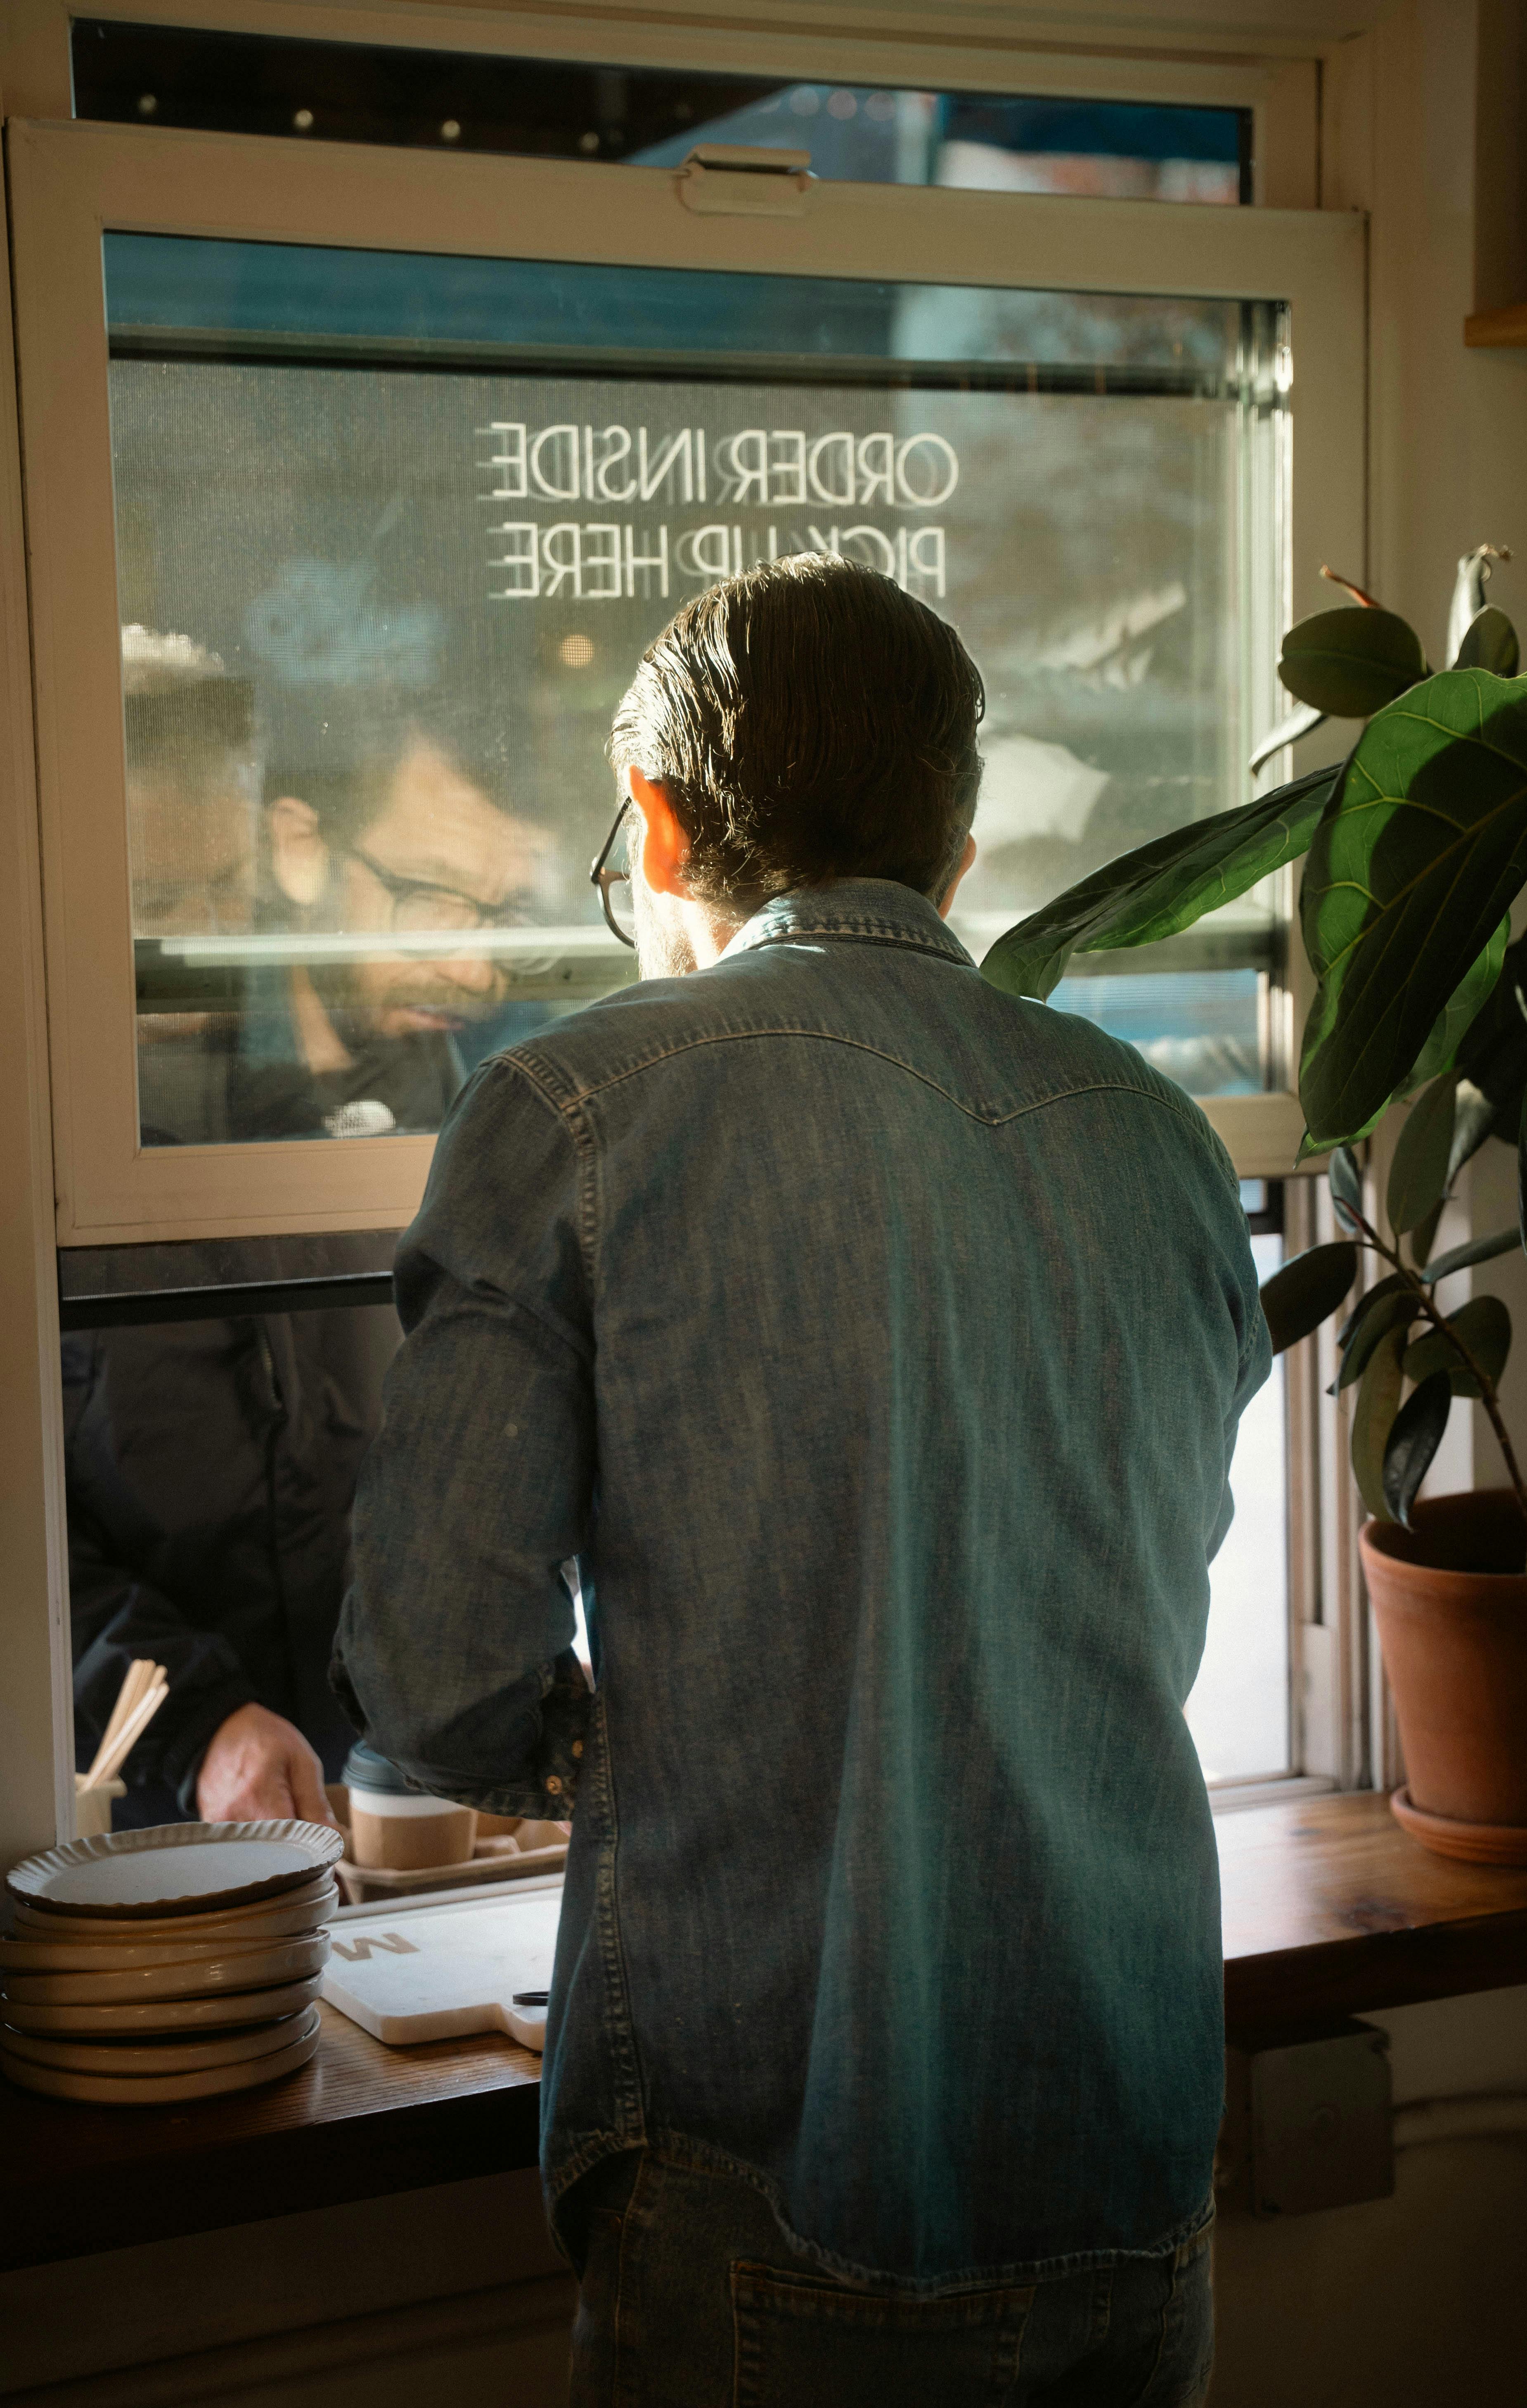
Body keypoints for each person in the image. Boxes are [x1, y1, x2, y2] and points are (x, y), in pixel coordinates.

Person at [334, 555, 1269, 2402]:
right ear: (960, 848)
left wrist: (625, 1734)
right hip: (1132, 2168)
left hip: (771, 2171)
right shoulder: (1158, 1137)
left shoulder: (574, 1110)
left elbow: (438, 1690)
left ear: (663, 833)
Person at [67, 655, 542, 1829]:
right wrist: (195, 1722)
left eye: (228, 897)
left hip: (371, 1801)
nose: (201, 948)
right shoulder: (61, 1147)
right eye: (161, 908)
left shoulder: (397, 1094)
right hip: (117, 1806)